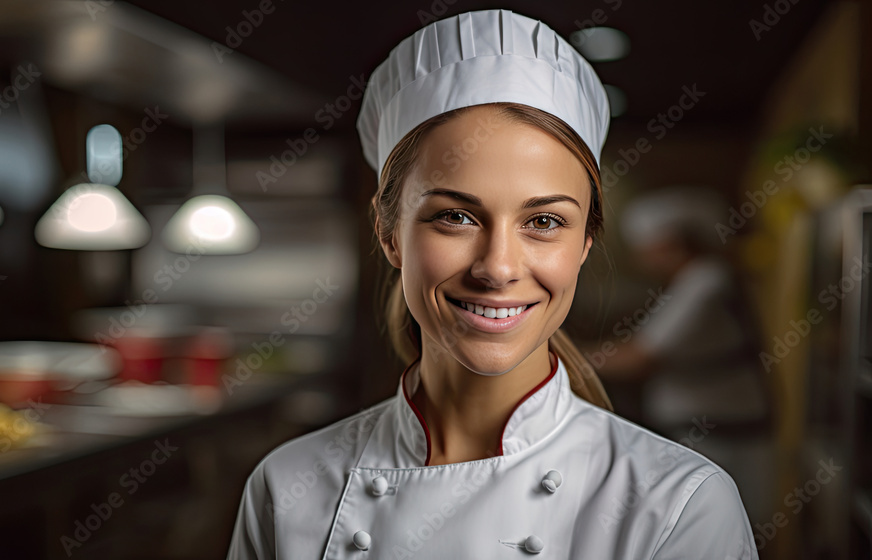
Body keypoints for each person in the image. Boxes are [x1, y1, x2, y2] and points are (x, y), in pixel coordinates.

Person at [227, 10, 758, 559]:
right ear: (388, 232)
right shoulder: (286, 489)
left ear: (584, 245)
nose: (497, 267)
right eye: (455, 216)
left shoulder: (679, 506)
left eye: (544, 222)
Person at [595, 185, 774, 523]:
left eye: (646, 248)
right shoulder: (690, 282)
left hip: (724, 439)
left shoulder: (706, 282)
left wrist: (567, 359)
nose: (640, 259)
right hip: (704, 435)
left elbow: (640, 357)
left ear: (671, 243)